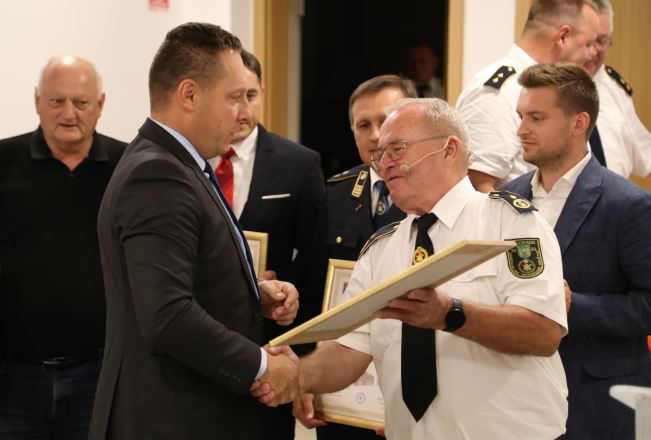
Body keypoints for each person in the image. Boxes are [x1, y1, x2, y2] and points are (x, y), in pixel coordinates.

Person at [259, 98, 569, 439]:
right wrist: (297, 373)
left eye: (397, 149)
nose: (384, 164)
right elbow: (351, 349)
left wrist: (450, 314)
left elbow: (544, 332)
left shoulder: (509, 223)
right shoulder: (381, 249)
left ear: (449, 149)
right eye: (379, 155)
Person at [88, 22, 300, 439]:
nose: (243, 113)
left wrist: (249, 293)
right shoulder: (158, 174)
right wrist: (261, 365)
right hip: (170, 419)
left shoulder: (175, 163)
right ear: (189, 94)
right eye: (233, 98)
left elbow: (172, 280)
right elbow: (167, 316)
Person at [501, 62, 651, 440]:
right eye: (521, 117)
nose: (521, 129)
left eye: (537, 118)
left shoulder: (629, 205)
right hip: (515, 397)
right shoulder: (505, 198)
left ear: (578, 123)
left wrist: (574, 306)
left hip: (598, 404)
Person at [0, 56, 126, 440]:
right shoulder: (2, 162)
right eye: (56, 101)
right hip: (13, 378)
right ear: (37, 101)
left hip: (98, 374)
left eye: (81, 102)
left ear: (100, 104)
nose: (68, 113)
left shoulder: (128, 167)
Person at [209, 49, 325, 440]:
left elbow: (313, 261)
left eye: (251, 96)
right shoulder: (194, 160)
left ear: (263, 92)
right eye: (232, 97)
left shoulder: (300, 163)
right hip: (202, 340)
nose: (242, 110)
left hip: (270, 343)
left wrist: (283, 291)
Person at [309, 74, 416, 440]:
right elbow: (316, 296)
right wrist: (310, 378)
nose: (375, 135)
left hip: (413, 392)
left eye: (386, 120)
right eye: (363, 125)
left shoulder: (435, 194)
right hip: (344, 394)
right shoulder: (335, 193)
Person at [456, 0, 599, 192]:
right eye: (588, 44)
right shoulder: (501, 91)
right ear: (563, 37)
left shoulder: (557, 88)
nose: (591, 55)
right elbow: (479, 186)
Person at [582, 0, 651, 180]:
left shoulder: (614, 86)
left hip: (616, 197)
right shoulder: (545, 88)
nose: (594, 50)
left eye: (602, 41)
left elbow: (650, 155)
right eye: (589, 41)